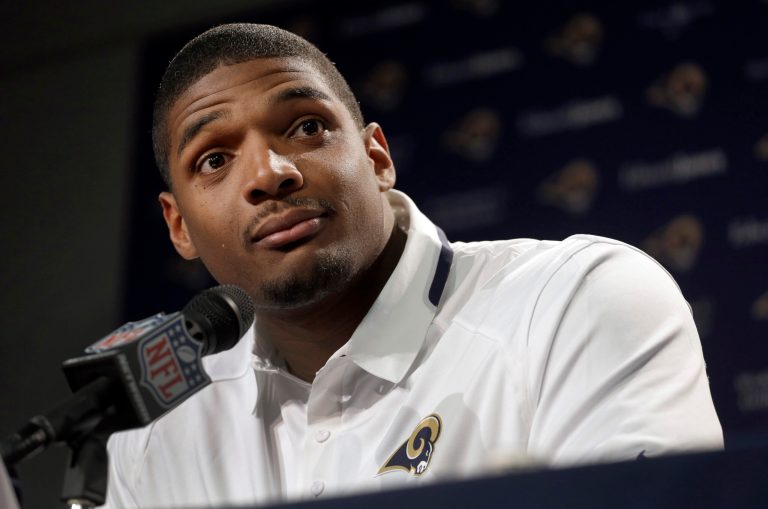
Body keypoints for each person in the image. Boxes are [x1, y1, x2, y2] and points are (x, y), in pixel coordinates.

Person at [103, 23, 723, 507]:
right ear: (179, 226)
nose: (269, 174)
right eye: (214, 160)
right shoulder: (157, 431)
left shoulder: (576, 304)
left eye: (307, 127)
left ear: (376, 158)